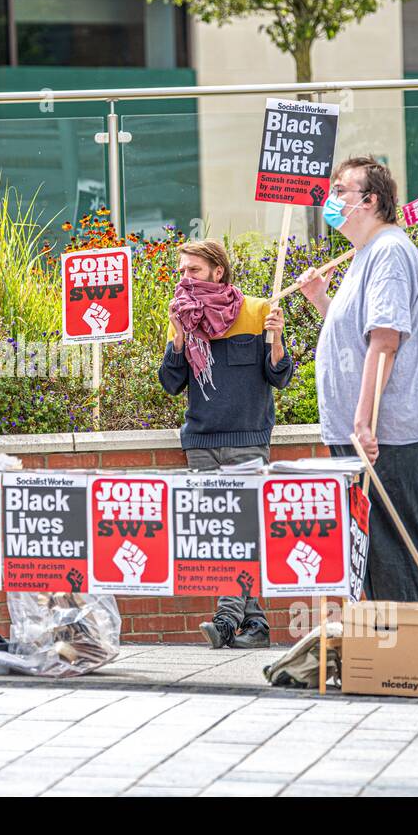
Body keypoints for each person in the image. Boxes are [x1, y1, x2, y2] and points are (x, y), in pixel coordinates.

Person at [297, 157, 418, 602]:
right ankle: (385, 642)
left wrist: (363, 423)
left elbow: (384, 341)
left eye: (341, 191)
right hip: (361, 434)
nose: (332, 199)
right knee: (371, 557)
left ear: (370, 200)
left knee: (394, 556)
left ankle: (408, 644)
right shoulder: (366, 254)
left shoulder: (389, 252)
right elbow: (356, 337)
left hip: (385, 435)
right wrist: (321, 300)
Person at [158, 238, 294, 649]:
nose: (185, 278)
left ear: (218, 272)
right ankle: (256, 625)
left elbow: (280, 377)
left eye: (194, 270)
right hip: (201, 442)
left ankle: (224, 620)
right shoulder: (182, 315)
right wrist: (180, 338)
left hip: (247, 441)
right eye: (182, 271)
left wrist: (276, 338)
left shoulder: (258, 311)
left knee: (238, 533)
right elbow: (171, 383)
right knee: (222, 535)